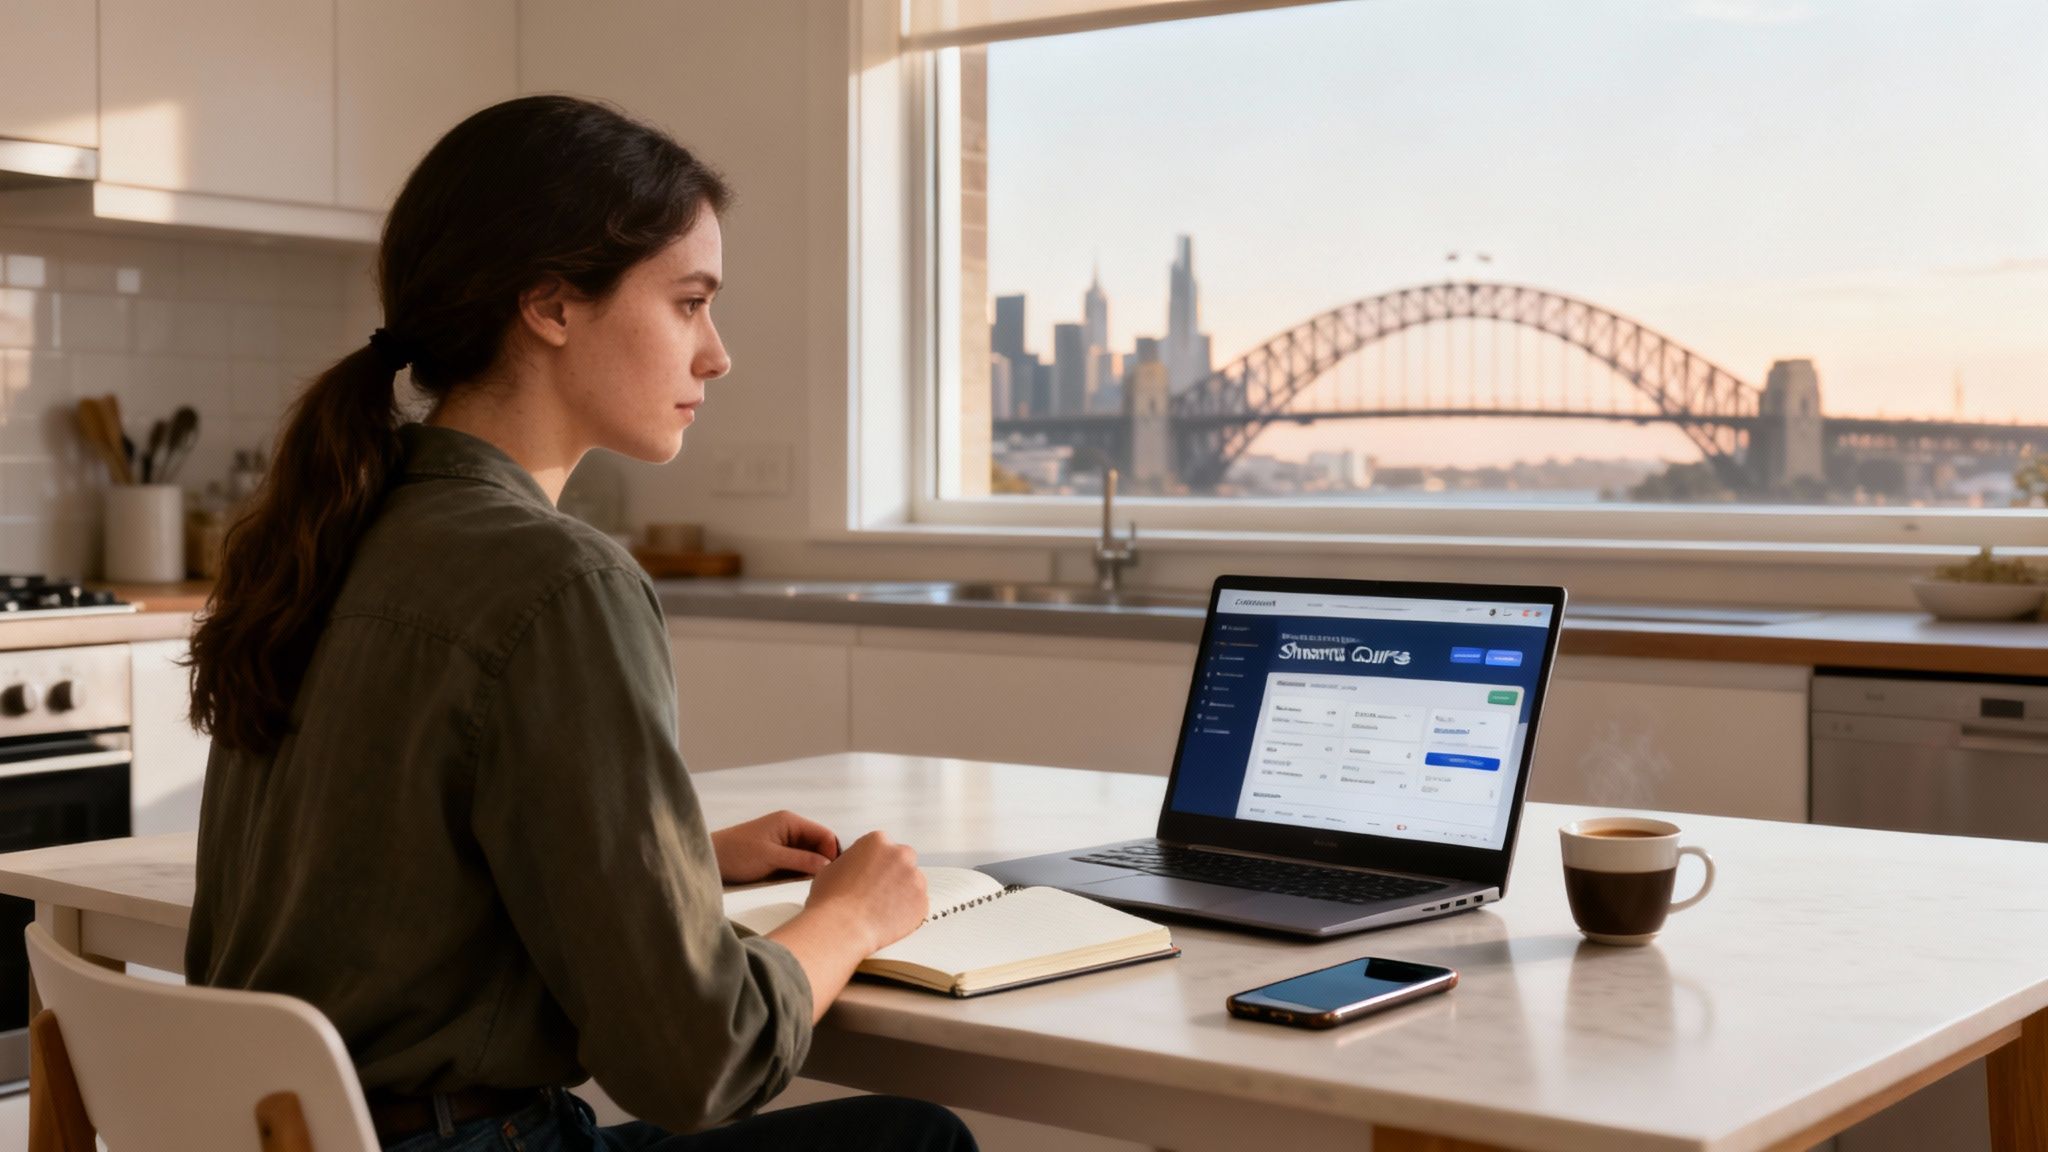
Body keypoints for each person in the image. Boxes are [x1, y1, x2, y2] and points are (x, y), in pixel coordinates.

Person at [183, 94, 975, 1152]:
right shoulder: (559, 580)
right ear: (550, 305)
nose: (716, 354)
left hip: (293, 1133)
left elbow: (386, 846)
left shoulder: (330, 529)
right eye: (689, 303)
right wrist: (850, 916)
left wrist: (667, 847)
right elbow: (697, 1060)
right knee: (910, 1141)